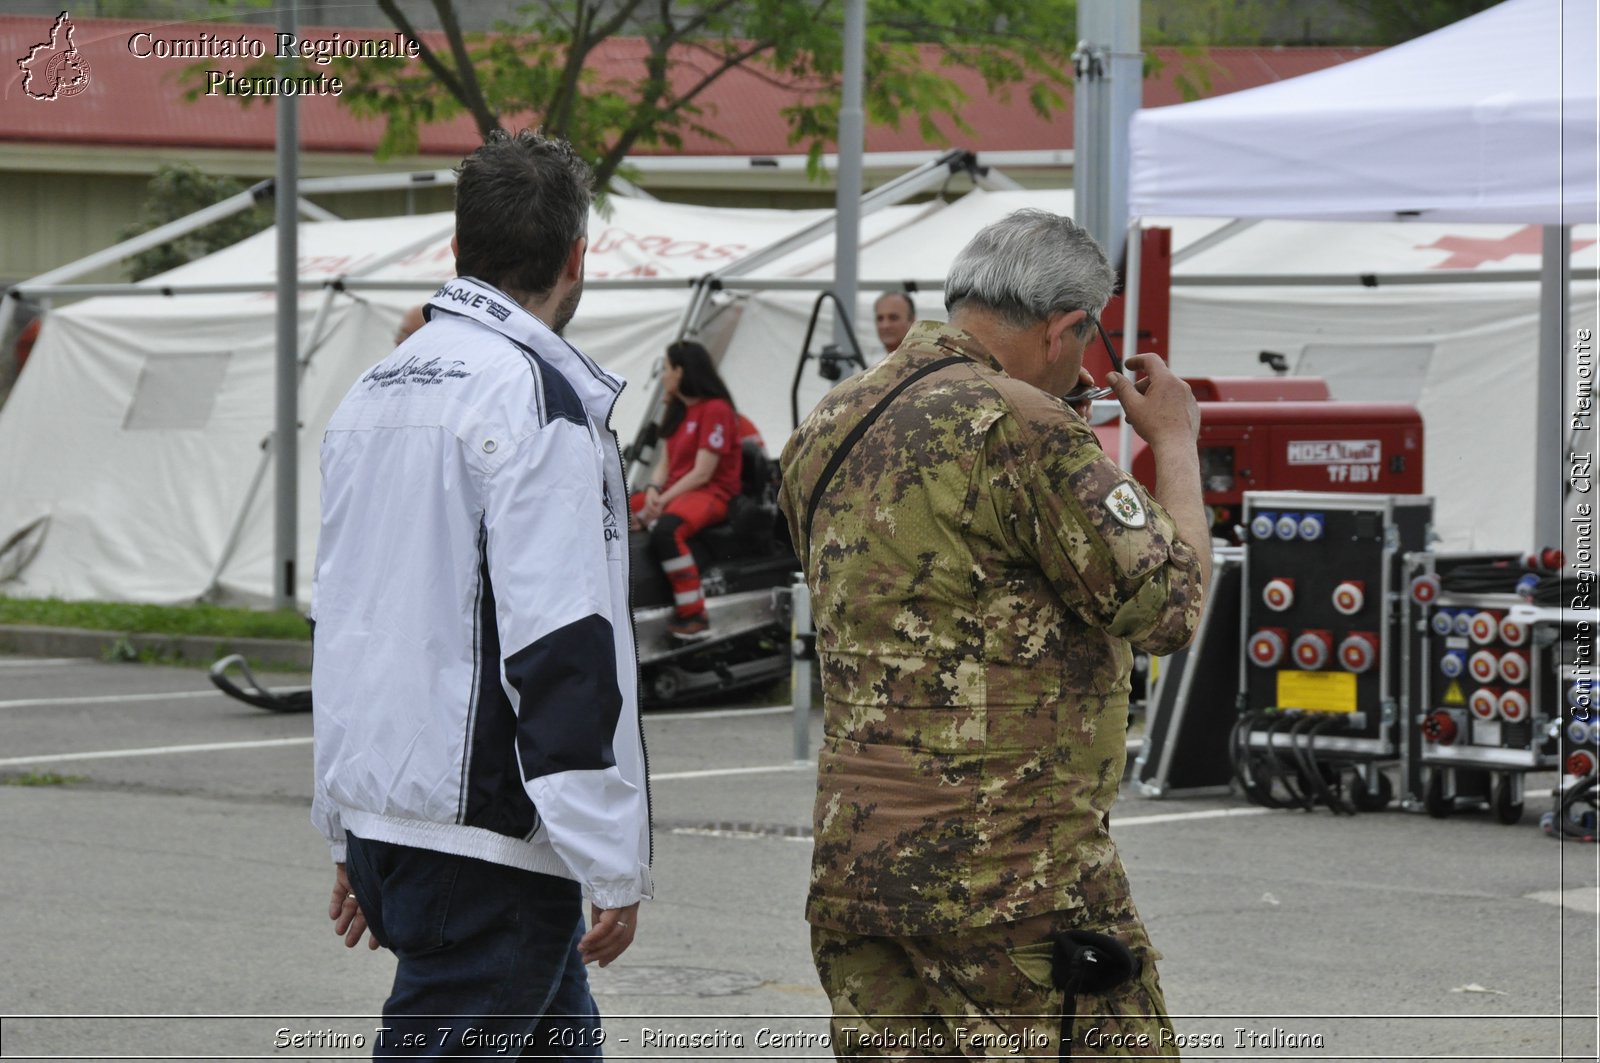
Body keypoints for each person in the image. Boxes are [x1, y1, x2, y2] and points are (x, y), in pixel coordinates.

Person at [778, 209, 1210, 1057]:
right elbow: (1170, 602)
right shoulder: (1024, 427)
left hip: (858, 869)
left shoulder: (830, 421)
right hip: (1011, 879)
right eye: (1088, 342)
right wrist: (1175, 443)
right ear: (1061, 329)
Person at [310, 130, 652, 1059]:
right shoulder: (534, 400)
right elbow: (561, 643)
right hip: (490, 839)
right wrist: (612, 855)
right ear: (577, 260)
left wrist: (348, 822)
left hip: (401, 817)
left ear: (456, 250)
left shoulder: (370, 391)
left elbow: (341, 617)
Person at [630, 339, 743, 641]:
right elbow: (664, 465)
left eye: (666, 368)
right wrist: (653, 491)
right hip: (678, 491)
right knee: (617, 508)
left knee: (667, 530)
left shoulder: (716, 410)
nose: (663, 375)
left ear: (680, 371)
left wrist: (660, 503)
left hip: (711, 493)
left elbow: (703, 473)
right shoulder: (678, 410)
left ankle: (693, 614)